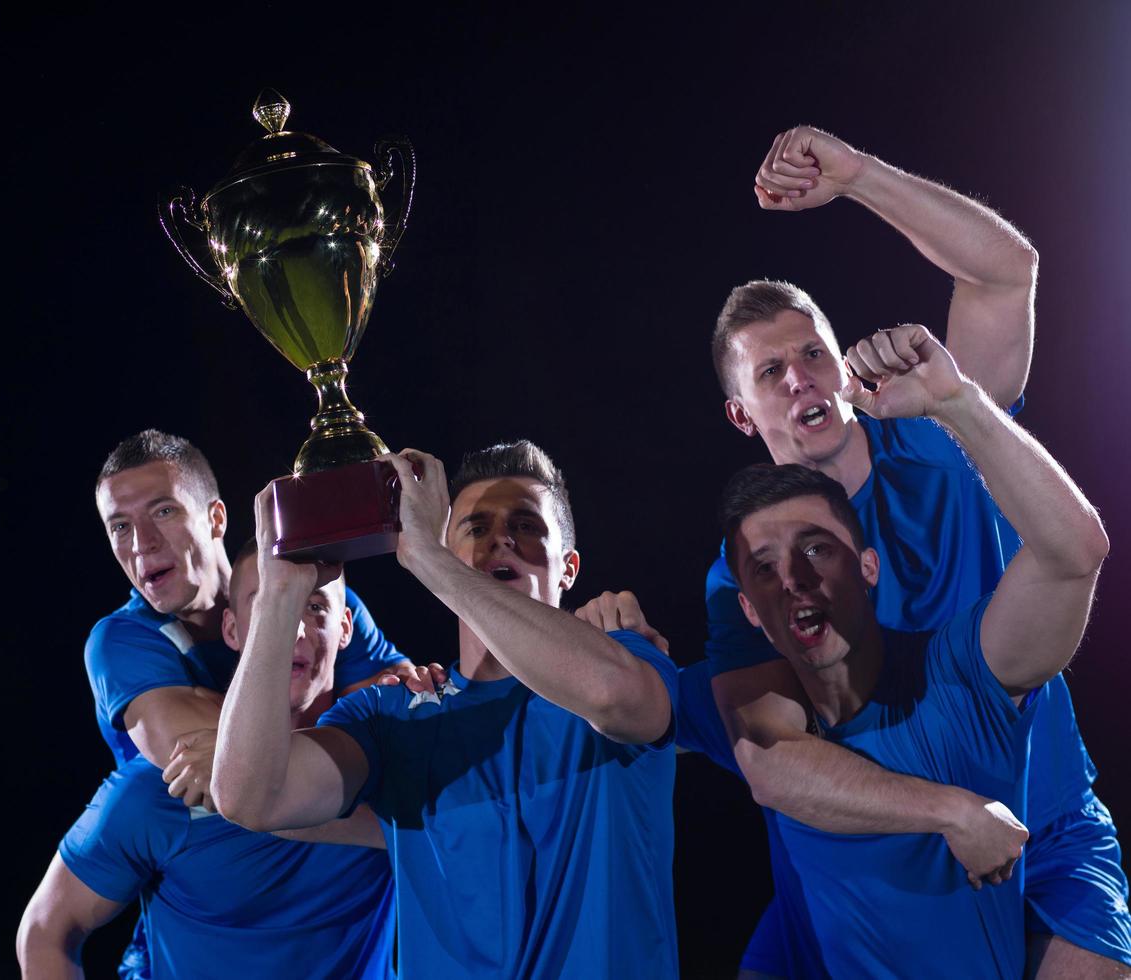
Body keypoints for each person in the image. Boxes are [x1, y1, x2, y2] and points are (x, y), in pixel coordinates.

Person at [691, 127, 1130, 977]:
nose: (799, 378)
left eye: (812, 353)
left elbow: (1006, 274)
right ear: (742, 416)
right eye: (770, 373)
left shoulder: (937, 436)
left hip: (1037, 828)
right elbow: (771, 756)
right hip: (868, 869)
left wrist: (857, 176)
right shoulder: (742, 574)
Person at [205, 440, 682, 978]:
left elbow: (618, 699)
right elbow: (249, 798)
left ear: (568, 567)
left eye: (526, 526)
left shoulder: (627, 656)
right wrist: (278, 596)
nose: (500, 539)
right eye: (475, 528)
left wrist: (428, 556)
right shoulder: (390, 715)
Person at [717, 320, 1107, 975]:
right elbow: (758, 758)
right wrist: (950, 811)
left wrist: (959, 404)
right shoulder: (768, 714)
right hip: (864, 883)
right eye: (766, 569)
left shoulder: (964, 675)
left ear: (867, 567)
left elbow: (1073, 556)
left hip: (1031, 837)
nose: (795, 580)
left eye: (816, 552)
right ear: (747, 609)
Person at [83, 429, 429, 976]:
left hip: (333, 882)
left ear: (217, 519)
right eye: (119, 526)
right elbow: (240, 778)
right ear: (228, 629)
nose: (140, 543)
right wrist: (344, 742)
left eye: (163, 511)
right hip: (209, 888)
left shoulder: (317, 598)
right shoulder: (123, 641)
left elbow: (402, 710)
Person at [16, 538, 396, 979]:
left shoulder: (394, 765)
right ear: (232, 631)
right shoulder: (162, 789)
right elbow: (45, 932)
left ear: (346, 628)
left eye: (314, 608)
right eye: (272, 605)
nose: (294, 629)